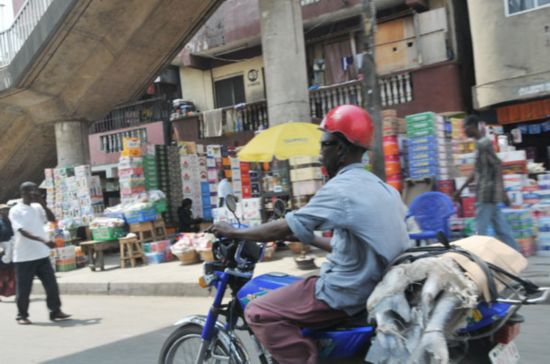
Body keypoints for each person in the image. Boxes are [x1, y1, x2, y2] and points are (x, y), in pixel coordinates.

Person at [211, 105, 411, 364]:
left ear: (340, 148)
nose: (320, 153)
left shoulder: (340, 188)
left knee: (259, 310)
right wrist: (309, 238)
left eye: (324, 145)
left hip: (344, 292)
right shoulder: (384, 188)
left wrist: (237, 232)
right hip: (373, 285)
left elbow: (285, 225)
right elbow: (354, 246)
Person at [8, 182, 71, 325]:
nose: (35, 193)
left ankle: (55, 311)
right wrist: (43, 240)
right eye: (32, 191)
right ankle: (21, 315)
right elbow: (22, 231)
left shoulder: (36, 207)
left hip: (41, 255)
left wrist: (42, 203)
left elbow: (52, 219)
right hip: (24, 257)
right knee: (24, 289)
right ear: (24, 192)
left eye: (36, 190)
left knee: (51, 285)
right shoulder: (16, 210)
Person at [454, 115, 520, 251]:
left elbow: (497, 166)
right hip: (489, 194)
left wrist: (504, 193)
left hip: (486, 193)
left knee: (479, 230)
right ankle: (516, 253)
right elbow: (476, 172)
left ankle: (477, 258)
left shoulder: (484, 144)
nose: (464, 130)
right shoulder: (481, 144)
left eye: (465, 127)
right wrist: (460, 190)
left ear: (472, 126)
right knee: (501, 228)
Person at [0, 204, 16, 300]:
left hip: (11, 251)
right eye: (4, 210)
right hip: (2, 251)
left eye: (7, 210)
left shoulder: (11, 222)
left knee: (12, 274)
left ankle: (15, 294)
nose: (6, 211)